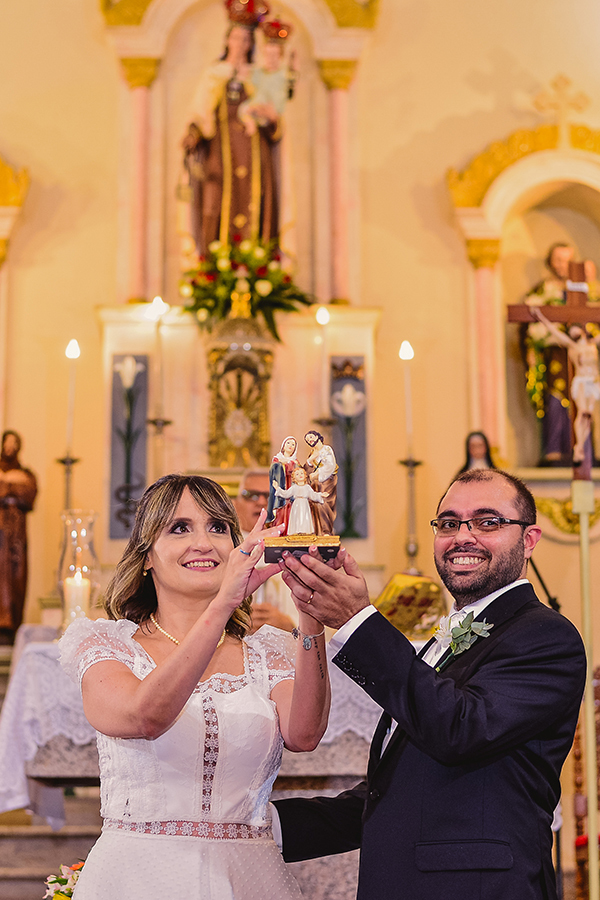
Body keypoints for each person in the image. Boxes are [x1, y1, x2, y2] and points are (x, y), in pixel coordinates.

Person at [273, 468, 586, 900]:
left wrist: (357, 621)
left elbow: (459, 730)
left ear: (529, 540)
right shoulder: (448, 640)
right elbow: (397, 793)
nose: (463, 536)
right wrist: (261, 827)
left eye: (488, 522)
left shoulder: (546, 636)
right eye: (449, 522)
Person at [59, 474, 329, 900]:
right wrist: (223, 603)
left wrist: (310, 611)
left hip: (249, 877)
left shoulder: (269, 653)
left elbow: (305, 734)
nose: (203, 542)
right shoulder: (105, 645)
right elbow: (144, 716)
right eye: (179, 527)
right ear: (146, 556)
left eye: (218, 527)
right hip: (136, 878)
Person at [183, 18, 282, 256]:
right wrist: (193, 135)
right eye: (236, 37)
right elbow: (201, 113)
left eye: (246, 39)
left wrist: (269, 117)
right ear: (227, 40)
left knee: (257, 201)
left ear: (251, 44)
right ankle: (216, 266)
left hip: (255, 155)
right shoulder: (214, 74)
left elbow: (273, 120)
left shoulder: (258, 77)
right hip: (220, 155)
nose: (241, 43)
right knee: (215, 201)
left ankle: (257, 262)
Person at [532, 307, 600, 463]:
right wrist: (540, 316)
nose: (573, 333)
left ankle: (580, 446)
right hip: (582, 381)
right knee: (582, 412)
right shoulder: (572, 346)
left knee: (588, 417)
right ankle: (579, 447)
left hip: (594, 382)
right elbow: (554, 332)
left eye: (575, 330)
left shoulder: (593, 343)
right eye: (570, 331)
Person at [234, 468, 296, 632]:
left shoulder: (297, 550)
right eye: (251, 495)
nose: (261, 502)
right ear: (235, 504)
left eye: (270, 496)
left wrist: (289, 626)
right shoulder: (223, 549)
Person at [0, 431, 37, 643]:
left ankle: (12, 623)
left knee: (15, 577)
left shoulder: (26, 473)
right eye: (8, 442)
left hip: (16, 537)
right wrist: (13, 485)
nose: (10, 446)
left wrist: (7, 484)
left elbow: (29, 493)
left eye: (15, 443)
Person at [238, 39, 290, 136]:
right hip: (256, 106)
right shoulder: (259, 73)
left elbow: (280, 102)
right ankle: (251, 124)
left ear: (280, 56)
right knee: (244, 110)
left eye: (274, 55)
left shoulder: (283, 76)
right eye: (268, 55)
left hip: (270, 111)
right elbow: (247, 78)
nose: (270, 59)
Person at [273, 466, 327, 535]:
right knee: (297, 518)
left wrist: (321, 495)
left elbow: (313, 495)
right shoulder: (294, 487)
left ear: (305, 475)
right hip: (297, 505)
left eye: (301, 473)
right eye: (297, 474)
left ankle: (305, 532)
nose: (300, 475)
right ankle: (296, 532)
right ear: (294, 478)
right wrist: (277, 487)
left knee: (305, 517)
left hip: (305, 504)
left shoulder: (307, 487)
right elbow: (286, 494)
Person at [303, 430, 337, 535]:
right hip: (315, 485)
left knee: (324, 504)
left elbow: (330, 465)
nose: (310, 440)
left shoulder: (327, 449)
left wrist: (317, 474)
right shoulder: (312, 453)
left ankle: (326, 530)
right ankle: (317, 530)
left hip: (327, 482)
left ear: (317, 436)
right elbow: (306, 472)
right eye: (308, 439)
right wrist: (310, 461)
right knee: (314, 505)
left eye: (311, 437)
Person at [266, 436, 298, 528]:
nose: (290, 446)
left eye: (293, 444)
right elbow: (274, 472)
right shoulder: (277, 460)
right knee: (280, 511)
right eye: (288, 443)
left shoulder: (296, 462)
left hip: (291, 490)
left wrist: (291, 464)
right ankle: (280, 528)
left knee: (290, 510)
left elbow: (299, 474)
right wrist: (282, 465)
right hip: (280, 489)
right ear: (283, 446)